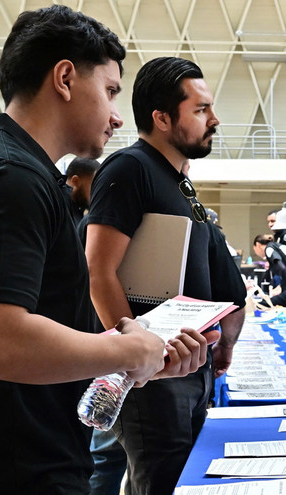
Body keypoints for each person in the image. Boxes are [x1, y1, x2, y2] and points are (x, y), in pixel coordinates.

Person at [0, 6, 207, 494]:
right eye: (111, 90)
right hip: (15, 469)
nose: (117, 115)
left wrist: (138, 360)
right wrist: (123, 348)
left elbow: (35, 325)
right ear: (66, 78)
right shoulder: (10, 177)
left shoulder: (24, 173)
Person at [84, 56, 244, 495]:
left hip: (188, 366)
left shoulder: (178, 181)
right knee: (162, 482)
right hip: (154, 376)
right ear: (161, 117)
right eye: (200, 110)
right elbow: (99, 269)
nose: (214, 120)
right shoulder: (129, 168)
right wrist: (134, 359)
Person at [64, 156, 99, 223]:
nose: (96, 193)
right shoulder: (59, 209)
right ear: (75, 181)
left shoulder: (78, 207)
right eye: (93, 186)